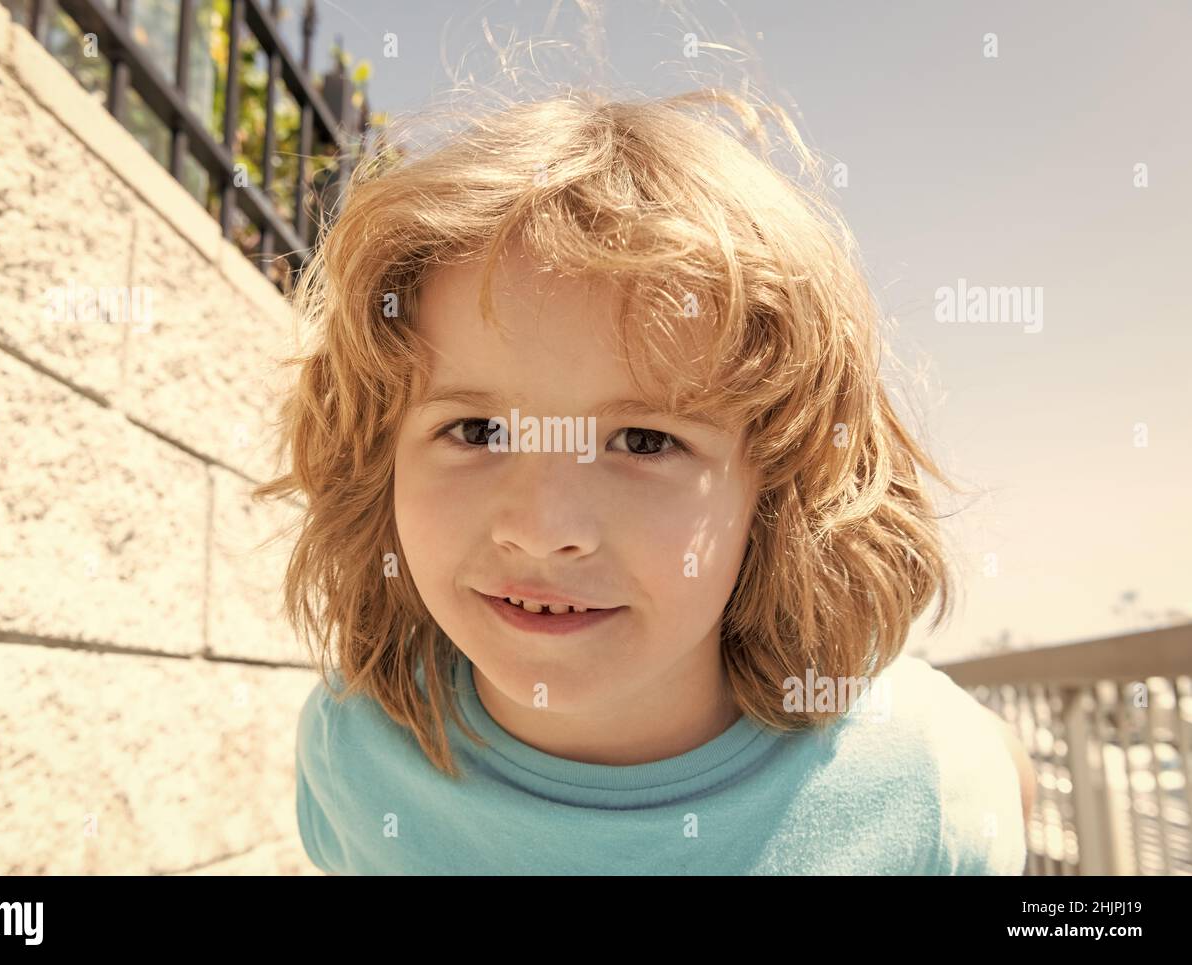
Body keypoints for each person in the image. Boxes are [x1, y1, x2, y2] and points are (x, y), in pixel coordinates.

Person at [255, 88, 1033, 874]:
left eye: (644, 439)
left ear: (783, 489)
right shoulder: (351, 752)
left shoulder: (921, 780)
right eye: (478, 431)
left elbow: (994, 780)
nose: (542, 524)